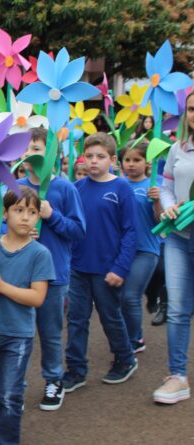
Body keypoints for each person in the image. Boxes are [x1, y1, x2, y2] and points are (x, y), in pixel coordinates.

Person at [0, 186, 55, 445]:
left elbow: (37, 297)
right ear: (4, 214)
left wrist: (2, 287)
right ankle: (4, 413)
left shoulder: (40, 254)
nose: (26, 217)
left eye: (32, 212)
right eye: (19, 210)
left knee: (10, 395)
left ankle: (7, 437)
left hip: (18, 334)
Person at [64, 132, 138, 394]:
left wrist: (120, 267)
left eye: (100, 157)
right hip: (77, 267)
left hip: (108, 269)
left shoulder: (122, 188)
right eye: (90, 156)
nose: (94, 161)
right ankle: (75, 370)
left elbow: (130, 232)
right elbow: (68, 224)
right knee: (76, 319)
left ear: (113, 160)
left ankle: (125, 358)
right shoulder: (76, 188)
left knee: (110, 317)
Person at [18, 127, 86, 411]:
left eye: (36, 148)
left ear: (52, 154)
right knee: (19, 334)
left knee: (50, 332)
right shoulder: (14, 186)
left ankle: (53, 379)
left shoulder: (65, 188)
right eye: (26, 148)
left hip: (53, 275)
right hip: (19, 275)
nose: (30, 154)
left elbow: (79, 230)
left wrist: (51, 216)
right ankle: (14, 385)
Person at [153, 90, 194, 404]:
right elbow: (166, 187)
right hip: (179, 239)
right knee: (178, 309)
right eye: (192, 110)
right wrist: (167, 206)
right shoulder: (178, 149)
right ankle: (177, 376)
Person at [118, 141, 162, 354]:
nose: (132, 164)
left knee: (130, 296)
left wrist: (157, 201)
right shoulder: (117, 185)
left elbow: (161, 222)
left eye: (137, 160)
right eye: (127, 160)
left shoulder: (153, 187)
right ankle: (125, 335)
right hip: (120, 251)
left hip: (146, 250)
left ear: (147, 163)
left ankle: (135, 339)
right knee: (117, 297)